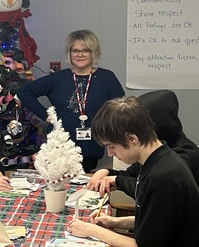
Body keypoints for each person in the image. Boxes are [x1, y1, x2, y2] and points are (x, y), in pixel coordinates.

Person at [43, 96, 199, 247]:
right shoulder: (157, 161)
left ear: (132, 138)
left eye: (111, 147)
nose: (110, 154)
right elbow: (159, 222)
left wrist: (93, 230)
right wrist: (114, 224)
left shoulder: (163, 178)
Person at [17, 29, 123, 172]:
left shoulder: (107, 78)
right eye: (75, 51)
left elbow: (121, 108)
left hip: (92, 146)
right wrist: (47, 115)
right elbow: (24, 92)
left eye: (86, 50)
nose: (80, 55)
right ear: (69, 53)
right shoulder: (58, 78)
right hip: (60, 148)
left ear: (94, 53)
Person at [87, 89, 199, 196]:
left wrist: (118, 181)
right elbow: (133, 174)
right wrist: (106, 172)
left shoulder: (182, 157)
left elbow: (151, 188)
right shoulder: (153, 154)